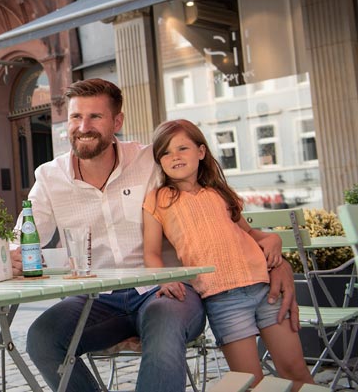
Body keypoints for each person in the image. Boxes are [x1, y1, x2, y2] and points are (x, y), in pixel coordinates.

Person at [17, 78, 299, 392]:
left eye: (95, 116)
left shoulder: (152, 160)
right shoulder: (49, 176)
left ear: (117, 121)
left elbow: (216, 214)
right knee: (42, 338)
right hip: (96, 300)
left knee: (164, 328)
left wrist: (277, 262)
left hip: (165, 290)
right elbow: (22, 239)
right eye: (75, 117)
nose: (83, 126)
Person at [143, 119, 314, 390]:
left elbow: (250, 234)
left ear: (201, 152)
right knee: (251, 382)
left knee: (295, 370)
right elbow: (151, 253)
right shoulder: (158, 199)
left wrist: (274, 238)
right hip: (223, 300)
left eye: (182, 148)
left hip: (265, 288)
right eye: (165, 152)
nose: (174, 156)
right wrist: (164, 279)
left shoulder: (220, 193)